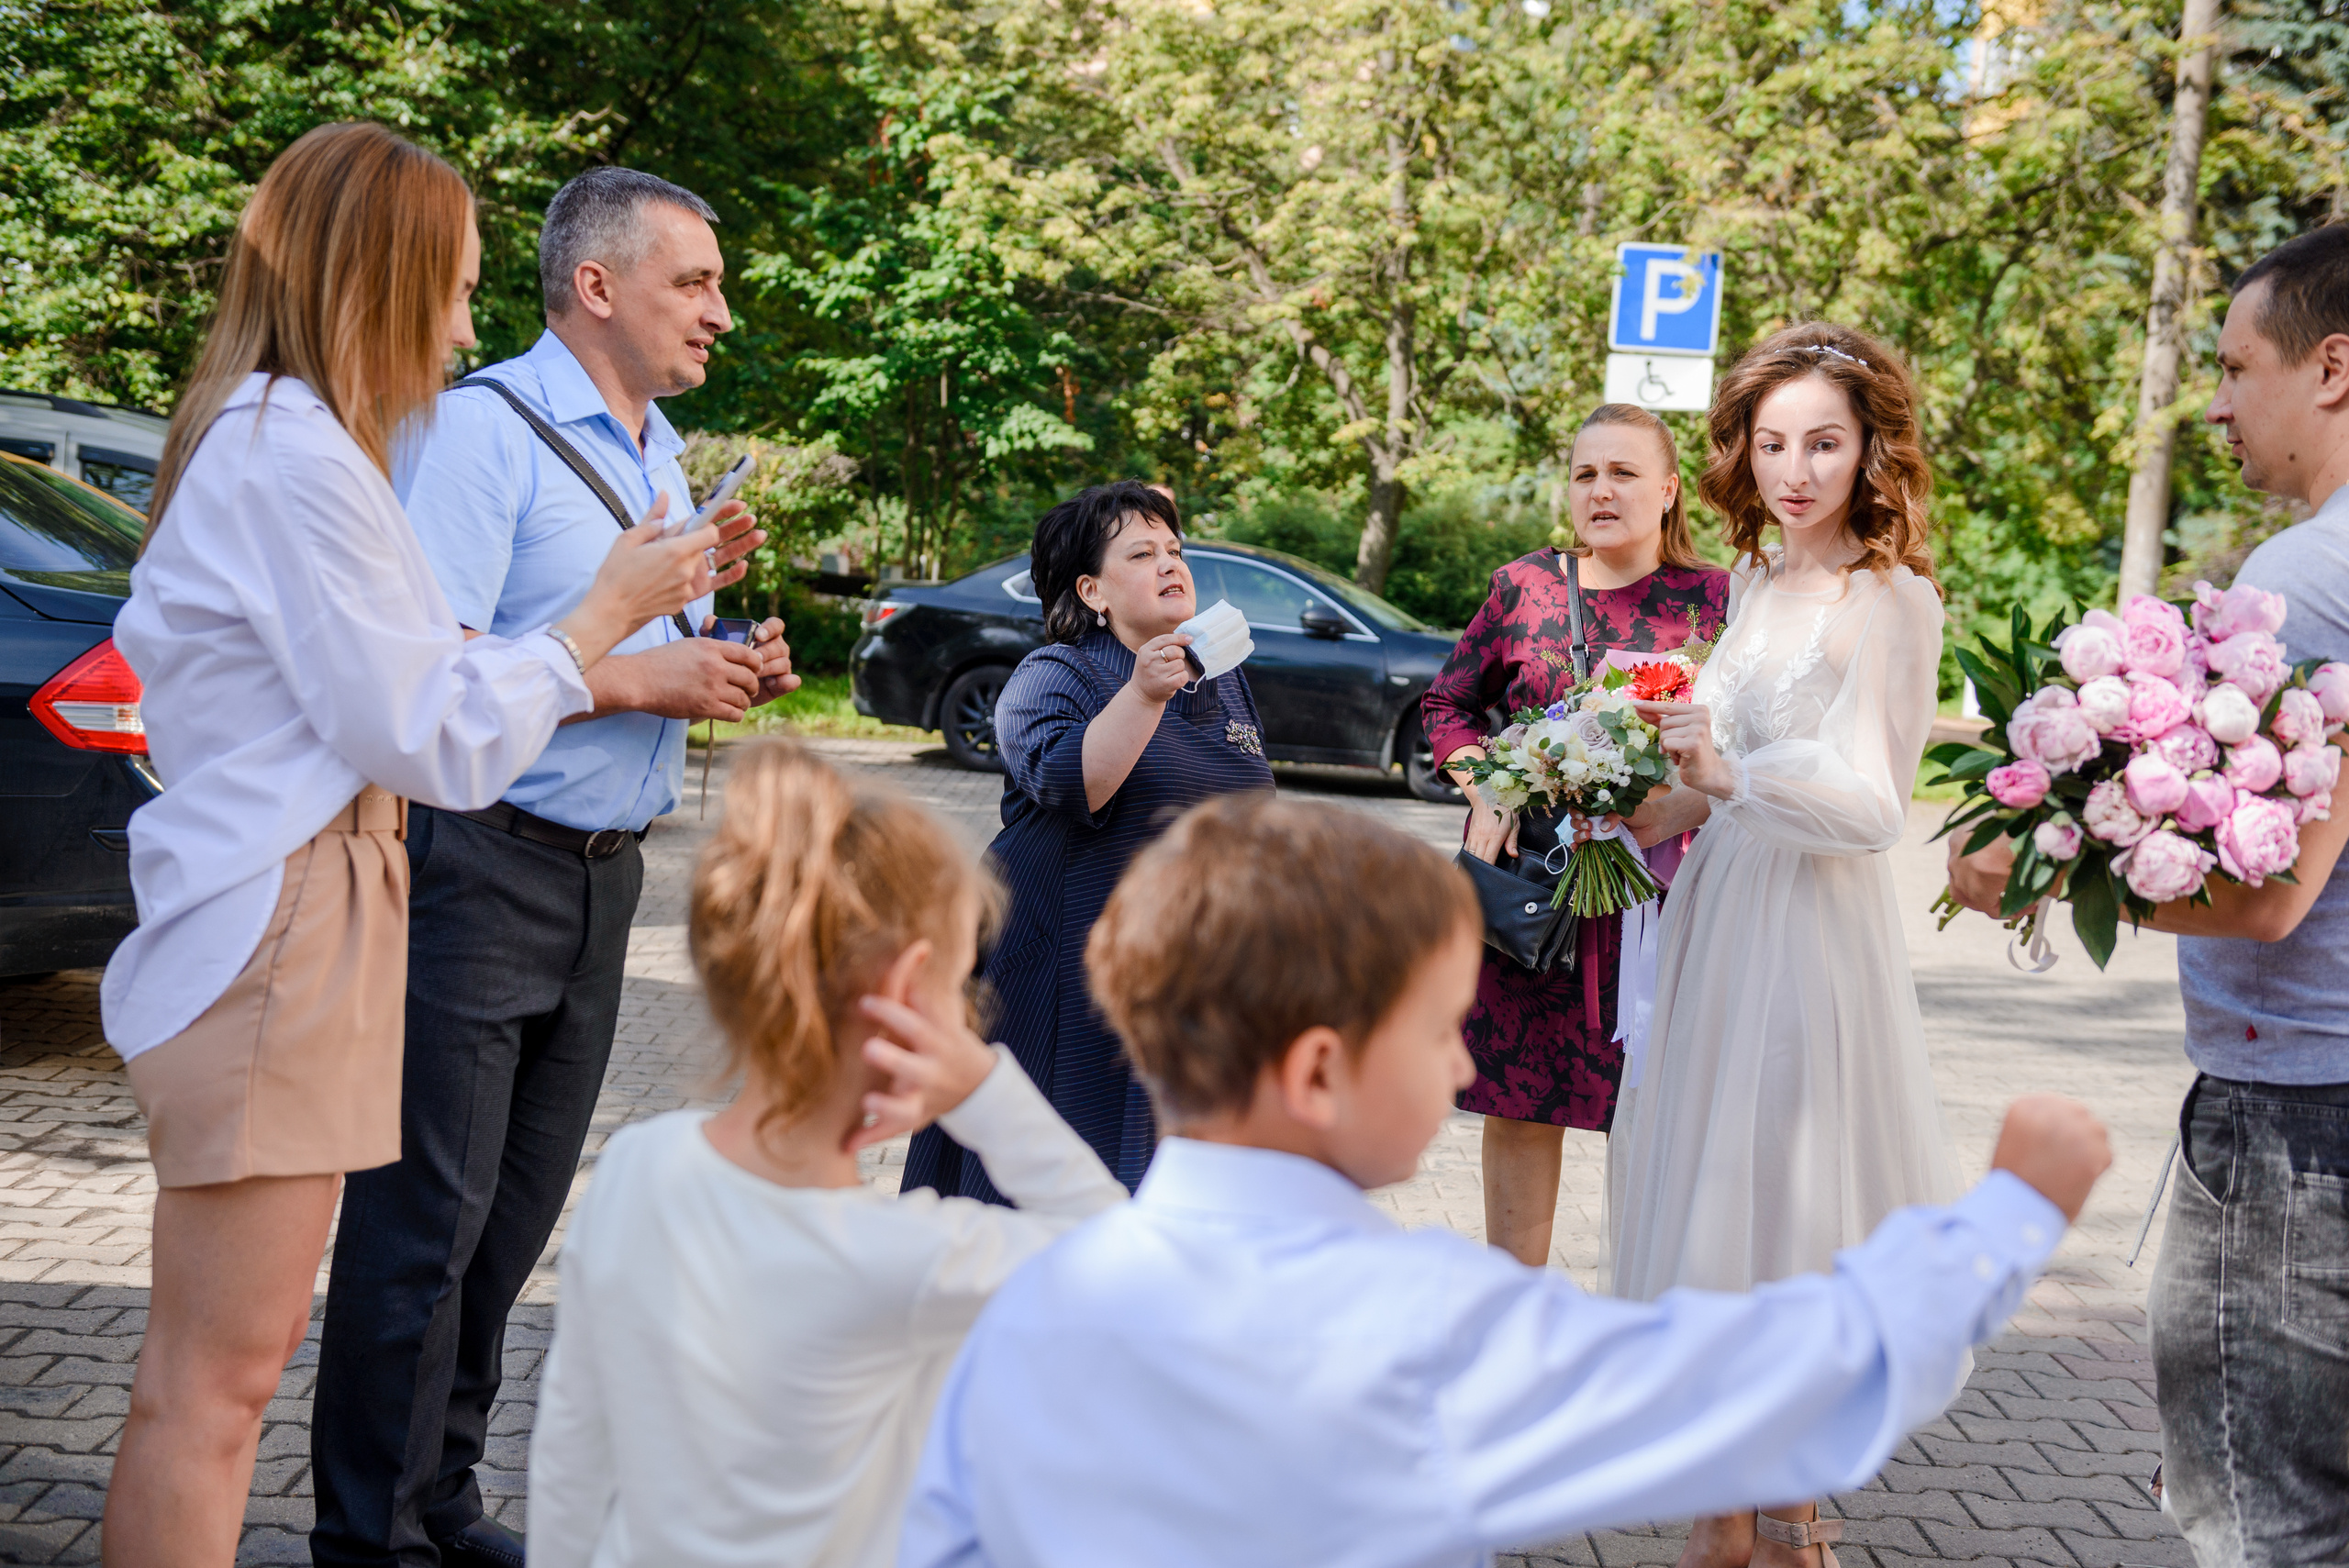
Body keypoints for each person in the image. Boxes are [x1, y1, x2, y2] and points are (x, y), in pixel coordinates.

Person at [896, 794, 2114, 1568]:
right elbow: (1775, 1381)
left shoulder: (1039, 1308)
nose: (1468, 1059)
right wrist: (2005, 1214)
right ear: (1321, 1070)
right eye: (1439, 1030)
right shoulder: (1419, 1324)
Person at [95, 124, 740, 1568]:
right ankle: (372, 1532)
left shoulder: (289, 445)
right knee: (222, 1384)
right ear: (373, 283)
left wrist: (643, 616)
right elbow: (431, 722)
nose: (462, 327)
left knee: (221, 1378)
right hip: (306, 904)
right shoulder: (305, 461)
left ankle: (422, 1504)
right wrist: (599, 629)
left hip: (333, 892)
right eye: (446, 289)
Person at [309, 166, 796, 1567]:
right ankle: (368, 1535)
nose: (720, 310)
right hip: (480, 864)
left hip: (602, 879)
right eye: (693, 281)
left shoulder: (656, 455)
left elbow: (626, 652)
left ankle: (442, 1501)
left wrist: (722, 666)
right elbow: (435, 676)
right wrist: (646, 680)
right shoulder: (480, 434)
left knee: (510, 1226)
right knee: (425, 1230)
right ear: (597, 285)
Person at [1949, 226, 2349, 1568]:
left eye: (2238, 368)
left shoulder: (2305, 582)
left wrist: (2036, 869)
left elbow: (2276, 894)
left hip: (2297, 1131)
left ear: (2333, 367)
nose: (2220, 404)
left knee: (2263, 1517)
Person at [525, 741, 1124, 1567]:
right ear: (913, 992)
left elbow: (570, 1451)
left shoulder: (635, 1166)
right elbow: (1128, 1262)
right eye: (961, 986)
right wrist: (982, 1086)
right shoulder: (905, 1257)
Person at [1609, 323, 1961, 1568]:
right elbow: (1721, 777)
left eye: (1823, 441)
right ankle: (1719, 1519)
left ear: (1871, 450)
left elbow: (1872, 807)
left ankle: (1793, 1522)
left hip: (1812, 941)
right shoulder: (1754, 586)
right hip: (1724, 912)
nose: (1795, 469)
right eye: (1771, 443)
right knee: (1712, 1191)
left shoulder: (1894, 600)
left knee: (1786, 1207)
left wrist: (1731, 771)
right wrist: (1645, 792)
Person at [901, 480, 1273, 1201]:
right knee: (1056, 1181)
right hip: (1061, 970)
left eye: (1174, 548)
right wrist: (1141, 696)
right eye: (1141, 552)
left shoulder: (1223, 682)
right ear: (1093, 591)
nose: (1170, 563)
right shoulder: (1055, 674)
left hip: (1185, 977)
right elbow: (1075, 784)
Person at [1422, 403, 1729, 1267]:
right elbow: (1447, 704)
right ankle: (1513, 1311)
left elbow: (1749, 740)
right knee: (1523, 1106)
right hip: (1535, 898)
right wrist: (1486, 783)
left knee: (1663, 1109)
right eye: (1586, 472)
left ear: (1668, 489)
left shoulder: (1717, 601)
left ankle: (1648, 1310)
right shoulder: (1526, 586)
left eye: (1624, 472)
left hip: (1663, 898)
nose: (1602, 489)